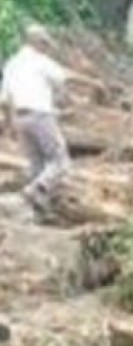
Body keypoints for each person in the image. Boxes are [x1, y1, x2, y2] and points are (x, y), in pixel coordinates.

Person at [0, 24, 104, 211]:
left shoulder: (12, 63)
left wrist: (8, 125)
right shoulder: (40, 61)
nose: (47, 47)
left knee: (36, 165)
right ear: (38, 42)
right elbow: (67, 76)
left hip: (20, 118)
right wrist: (93, 82)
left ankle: (37, 208)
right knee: (60, 161)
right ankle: (31, 192)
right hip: (40, 116)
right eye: (45, 43)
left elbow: (5, 100)